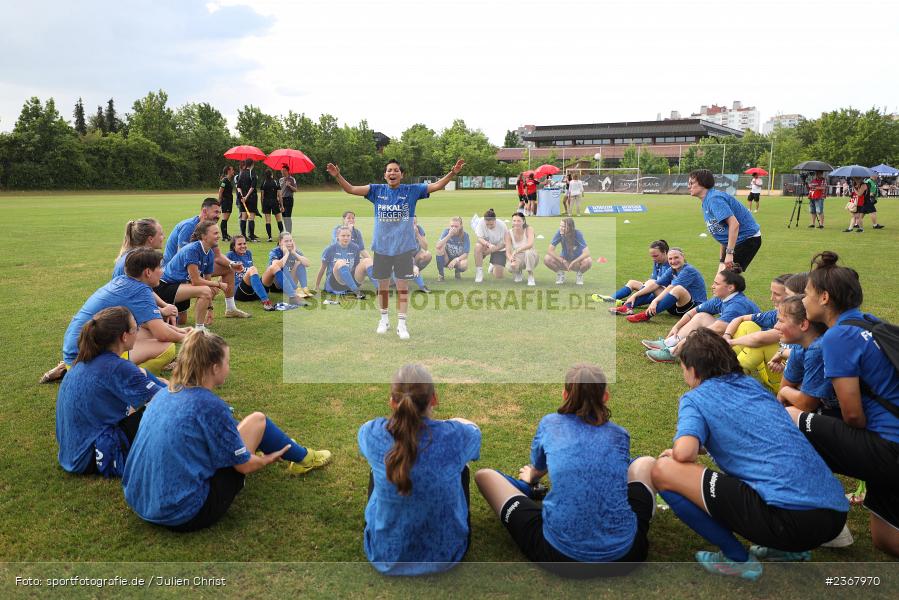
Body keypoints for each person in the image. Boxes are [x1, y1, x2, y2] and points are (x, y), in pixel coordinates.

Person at [651, 329, 849, 580]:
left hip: (789, 520)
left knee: (664, 470)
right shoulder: (751, 386)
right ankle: (785, 550)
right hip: (834, 516)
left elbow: (685, 452)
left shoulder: (696, 398)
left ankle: (737, 559)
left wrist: (677, 450)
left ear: (692, 369)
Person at [122, 329, 331, 532]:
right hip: (183, 513)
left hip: (139, 500)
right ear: (214, 368)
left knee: (247, 429)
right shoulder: (211, 406)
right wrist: (265, 459)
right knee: (258, 422)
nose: (228, 367)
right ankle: (303, 458)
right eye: (227, 362)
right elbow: (243, 467)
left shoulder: (164, 394)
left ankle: (300, 455)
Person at [475, 364, 657, 578]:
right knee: (645, 462)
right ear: (605, 396)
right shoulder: (619, 435)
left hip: (559, 555)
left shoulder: (550, 424)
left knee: (484, 476)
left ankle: (527, 489)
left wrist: (531, 477)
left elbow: (539, 466)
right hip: (626, 556)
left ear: (564, 393)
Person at [782, 251, 899, 556]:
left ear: (823, 298)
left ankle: (814, 521)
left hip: (888, 448)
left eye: (805, 294)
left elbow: (853, 416)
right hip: (891, 445)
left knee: (792, 417)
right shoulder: (869, 322)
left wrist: (825, 426)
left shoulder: (837, 338)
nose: (801, 300)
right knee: (885, 540)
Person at [358, 364, 480, 575]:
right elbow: (474, 432)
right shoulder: (457, 436)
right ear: (434, 399)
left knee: (379, 466)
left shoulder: (371, 433)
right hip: (445, 554)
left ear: (392, 402)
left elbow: (371, 431)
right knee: (462, 465)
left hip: (386, 554)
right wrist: (449, 424)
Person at [325, 158, 465, 340]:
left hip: (404, 248)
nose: (392, 173)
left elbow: (437, 186)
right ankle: (383, 319)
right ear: (385, 175)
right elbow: (351, 189)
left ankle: (401, 324)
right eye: (389, 170)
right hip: (382, 248)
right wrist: (338, 176)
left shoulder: (411, 190)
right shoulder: (376, 190)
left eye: (396, 170)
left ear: (401, 174)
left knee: (402, 287)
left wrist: (453, 172)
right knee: (382, 286)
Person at [56, 307, 165, 476]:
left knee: (146, 384)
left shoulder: (84, 361)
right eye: (135, 328)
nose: (137, 331)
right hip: (94, 456)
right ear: (124, 336)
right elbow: (167, 401)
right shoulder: (117, 367)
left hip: (73, 455)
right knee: (164, 410)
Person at [59, 248, 187, 373]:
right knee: (167, 348)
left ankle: (77, 371)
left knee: (145, 331)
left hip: (74, 353)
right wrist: (189, 338)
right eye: (159, 267)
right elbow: (162, 334)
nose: (162, 272)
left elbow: (153, 326)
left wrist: (180, 331)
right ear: (148, 272)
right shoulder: (140, 291)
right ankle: (123, 377)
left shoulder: (122, 281)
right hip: (85, 361)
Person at [643, 269, 759, 363]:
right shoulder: (722, 298)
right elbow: (693, 312)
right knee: (701, 316)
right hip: (733, 340)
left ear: (730, 288)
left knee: (708, 330)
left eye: (717, 284)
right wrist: (676, 327)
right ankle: (669, 343)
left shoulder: (737, 304)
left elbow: (718, 329)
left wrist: (687, 340)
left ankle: (673, 352)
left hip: (746, 348)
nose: (712, 286)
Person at [158, 220, 250, 327]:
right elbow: (196, 281)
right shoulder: (192, 250)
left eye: (218, 233)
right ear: (204, 236)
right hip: (166, 286)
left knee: (182, 321)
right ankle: (199, 330)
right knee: (204, 290)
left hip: (181, 286)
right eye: (215, 233)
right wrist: (219, 284)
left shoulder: (210, 253)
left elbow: (207, 282)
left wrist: (210, 309)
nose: (219, 236)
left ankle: (164, 316)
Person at [720, 273, 795, 392]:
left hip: (786, 383)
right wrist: (726, 335)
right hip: (772, 367)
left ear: (793, 296)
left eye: (777, 294)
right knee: (746, 325)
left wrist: (730, 341)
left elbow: (759, 339)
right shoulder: (776, 314)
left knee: (764, 343)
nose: (771, 298)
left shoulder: (797, 321)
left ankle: (727, 379)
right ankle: (725, 365)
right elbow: (740, 318)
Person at [688, 169, 762, 272]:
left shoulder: (714, 199)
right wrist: (722, 259)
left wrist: (729, 253)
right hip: (735, 243)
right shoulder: (707, 201)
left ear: (702, 183)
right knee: (720, 283)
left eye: (691, 183)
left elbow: (734, 225)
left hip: (746, 240)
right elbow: (723, 230)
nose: (688, 186)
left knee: (725, 283)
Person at [774, 295, 836, 415]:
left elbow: (807, 404)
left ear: (803, 325)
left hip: (846, 416)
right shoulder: (799, 346)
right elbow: (782, 397)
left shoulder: (818, 349)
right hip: (823, 406)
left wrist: (785, 391)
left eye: (781, 321)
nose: (776, 326)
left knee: (791, 413)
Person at [621, 247, 707, 322]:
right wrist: (635, 295)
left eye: (676, 257)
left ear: (683, 257)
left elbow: (671, 287)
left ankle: (646, 315)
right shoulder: (672, 269)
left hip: (692, 309)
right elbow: (655, 284)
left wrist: (655, 301)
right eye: (670, 259)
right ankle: (627, 307)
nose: (673, 261)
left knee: (678, 289)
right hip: (675, 307)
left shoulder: (688, 270)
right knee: (652, 282)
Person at [594, 239, 669, 310]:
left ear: (665, 252)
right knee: (632, 282)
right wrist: (645, 285)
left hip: (665, 294)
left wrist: (645, 288)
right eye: (652, 256)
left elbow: (662, 285)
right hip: (655, 290)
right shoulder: (657, 262)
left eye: (656, 256)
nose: (653, 259)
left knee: (650, 284)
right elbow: (654, 280)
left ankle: (627, 307)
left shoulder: (671, 264)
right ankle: (611, 299)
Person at [314, 225, 370, 300]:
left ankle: (380, 289)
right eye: (343, 236)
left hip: (348, 281)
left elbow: (356, 267)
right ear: (338, 237)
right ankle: (356, 292)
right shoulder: (330, 249)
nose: (346, 238)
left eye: (348, 235)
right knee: (341, 262)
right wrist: (317, 286)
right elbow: (322, 268)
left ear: (351, 237)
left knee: (367, 261)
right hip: (334, 282)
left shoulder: (355, 247)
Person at [162, 197, 222, 264]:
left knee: (227, 269)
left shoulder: (210, 229)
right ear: (204, 211)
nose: (218, 216)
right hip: (173, 269)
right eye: (216, 212)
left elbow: (218, 256)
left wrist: (232, 264)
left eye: (219, 213)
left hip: (193, 263)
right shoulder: (189, 226)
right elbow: (182, 256)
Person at [225, 235, 276, 311]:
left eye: (244, 243)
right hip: (240, 291)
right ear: (233, 246)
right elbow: (223, 273)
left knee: (272, 268)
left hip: (252, 290)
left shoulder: (248, 253)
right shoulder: (230, 255)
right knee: (252, 269)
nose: (243, 246)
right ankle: (266, 302)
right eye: (239, 244)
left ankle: (292, 293)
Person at [266, 232, 313, 306]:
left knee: (300, 263)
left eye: (291, 240)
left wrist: (294, 253)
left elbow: (307, 263)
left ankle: (304, 288)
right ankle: (295, 290)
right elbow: (275, 266)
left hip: (290, 282)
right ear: (280, 242)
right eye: (286, 241)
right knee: (282, 265)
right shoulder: (274, 252)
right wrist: (287, 254)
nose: (289, 243)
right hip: (277, 284)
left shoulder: (294, 250)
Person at [544, 217, 591, 285]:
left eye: (563, 226)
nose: (561, 228)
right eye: (560, 226)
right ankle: (560, 274)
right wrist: (563, 261)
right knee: (547, 258)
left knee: (588, 261)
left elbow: (587, 253)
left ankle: (579, 274)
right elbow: (550, 250)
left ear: (570, 227)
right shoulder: (559, 233)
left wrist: (574, 262)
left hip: (576, 262)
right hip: (564, 261)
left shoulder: (578, 234)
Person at [473, 208, 508, 283]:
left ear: (495, 220)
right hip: (486, 244)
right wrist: (488, 244)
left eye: (491, 224)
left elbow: (505, 243)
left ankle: (492, 264)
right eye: (487, 224)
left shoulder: (502, 225)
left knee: (498, 276)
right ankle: (479, 273)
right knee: (478, 247)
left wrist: (490, 251)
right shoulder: (481, 222)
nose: (489, 226)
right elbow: (480, 238)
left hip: (499, 248)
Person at [504, 212, 538, 286]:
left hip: (531, 255)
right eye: (514, 221)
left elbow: (530, 244)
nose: (516, 223)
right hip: (518, 256)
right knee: (511, 266)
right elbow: (508, 252)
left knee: (528, 253)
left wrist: (516, 250)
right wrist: (512, 260)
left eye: (519, 221)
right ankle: (518, 272)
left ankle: (530, 275)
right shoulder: (508, 233)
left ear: (523, 221)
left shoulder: (529, 229)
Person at [434, 216, 470, 282]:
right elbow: (438, 246)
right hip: (446, 259)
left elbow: (466, 254)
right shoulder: (446, 232)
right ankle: (441, 275)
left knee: (464, 264)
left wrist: (456, 260)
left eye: (456, 226)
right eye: (452, 226)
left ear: (461, 226)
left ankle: (457, 271)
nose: (453, 228)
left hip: (457, 260)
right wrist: (449, 235)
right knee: (439, 249)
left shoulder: (465, 235)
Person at [236, 158, 259, 241]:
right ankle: (252, 237)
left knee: (243, 216)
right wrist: (246, 196)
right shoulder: (252, 173)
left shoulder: (241, 173)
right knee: (251, 217)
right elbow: (253, 187)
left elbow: (238, 187)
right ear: (252, 164)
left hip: (243, 199)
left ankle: (243, 236)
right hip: (251, 198)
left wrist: (242, 196)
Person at [260, 169, 284, 242]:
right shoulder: (276, 182)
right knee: (279, 219)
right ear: (271, 174)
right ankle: (282, 235)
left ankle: (270, 237)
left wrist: (262, 206)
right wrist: (282, 205)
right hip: (274, 202)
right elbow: (280, 195)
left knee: (268, 220)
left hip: (266, 202)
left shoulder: (263, 182)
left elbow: (262, 196)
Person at [410, 216, 432, 293]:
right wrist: (413, 265)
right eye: (411, 223)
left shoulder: (418, 229)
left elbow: (425, 247)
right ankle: (421, 283)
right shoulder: (402, 231)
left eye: (415, 223)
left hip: (415, 255)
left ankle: (415, 274)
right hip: (402, 257)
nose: (414, 225)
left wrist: (417, 234)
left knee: (427, 255)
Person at [217, 165, 235, 241]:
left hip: (229, 201)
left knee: (226, 219)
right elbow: (220, 191)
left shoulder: (228, 180)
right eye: (232, 170)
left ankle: (225, 234)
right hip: (226, 201)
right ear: (228, 171)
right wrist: (219, 202)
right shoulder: (224, 181)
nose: (233, 171)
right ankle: (224, 236)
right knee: (224, 218)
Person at [278, 165, 298, 233]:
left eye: (283, 171)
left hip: (289, 199)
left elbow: (295, 190)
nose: (282, 172)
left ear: (287, 171)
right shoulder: (280, 180)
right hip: (281, 200)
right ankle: (286, 231)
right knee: (284, 217)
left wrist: (289, 185)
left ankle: (289, 232)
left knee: (288, 217)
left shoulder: (292, 179)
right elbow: (279, 190)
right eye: (281, 171)